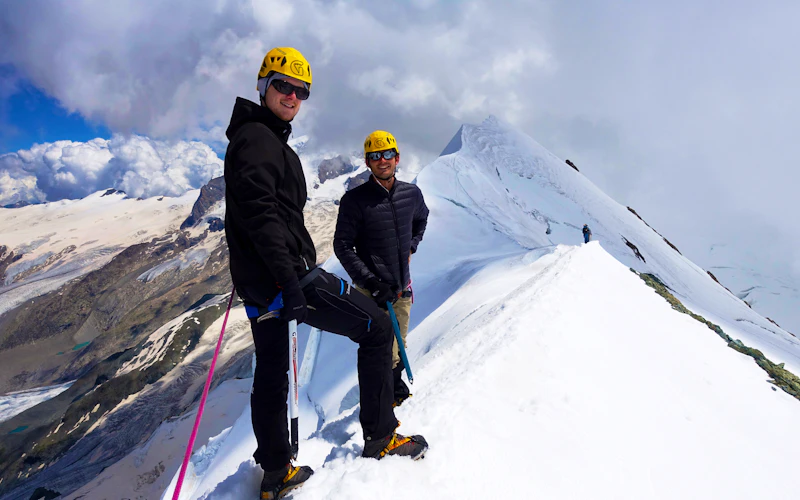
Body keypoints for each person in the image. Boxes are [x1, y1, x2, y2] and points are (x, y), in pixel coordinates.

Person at [224, 47, 428, 500]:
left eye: (301, 89)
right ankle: (380, 436)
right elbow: (262, 216)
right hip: (286, 277)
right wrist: (289, 280)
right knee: (376, 328)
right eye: (283, 85)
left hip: (262, 281)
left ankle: (275, 472)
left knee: (273, 373)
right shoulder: (259, 140)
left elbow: (252, 213)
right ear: (263, 85)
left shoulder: (254, 136)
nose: (292, 95)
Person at [333, 130, 429, 407]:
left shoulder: (411, 194)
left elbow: (422, 220)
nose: (382, 160)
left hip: (401, 289)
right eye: (375, 156)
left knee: (398, 345)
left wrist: (411, 246)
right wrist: (371, 282)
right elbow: (342, 246)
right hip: (371, 292)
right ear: (367, 162)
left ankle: (395, 395)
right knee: (379, 348)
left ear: (397, 158)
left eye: (387, 154)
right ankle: (381, 408)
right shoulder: (355, 201)